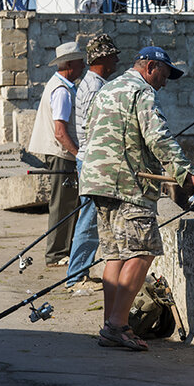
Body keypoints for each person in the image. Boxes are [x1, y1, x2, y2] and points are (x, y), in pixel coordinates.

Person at [79, 46, 194, 351]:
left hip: (97, 181)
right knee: (143, 250)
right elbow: (158, 137)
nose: (164, 83)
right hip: (128, 185)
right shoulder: (142, 92)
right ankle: (117, 325)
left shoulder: (107, 89)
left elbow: (89, 134)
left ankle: (110, 323)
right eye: (164, 75)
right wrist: (189, 174)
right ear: (150, 66)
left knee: (114, 253)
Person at [66, 33, 120, 289]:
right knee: (88, 220)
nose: (117, 61)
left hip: (88, 160)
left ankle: (79, 272)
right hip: (92, 162)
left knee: (90, 218)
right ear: (104, 58)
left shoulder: (90, 83)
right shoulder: (95, 88)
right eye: (113, 56)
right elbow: (96, 129)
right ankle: (76, 277)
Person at [27, 41, 85, 268]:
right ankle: (56, 254)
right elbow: (60, 132)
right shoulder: (62, 91)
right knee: (62, 205)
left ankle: (63, 250)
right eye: (80, 62)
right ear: (70, 64)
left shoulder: (59, 85)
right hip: (62, 154)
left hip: (61, 153)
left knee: (67, 204)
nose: (83, 66)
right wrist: (79, 154)